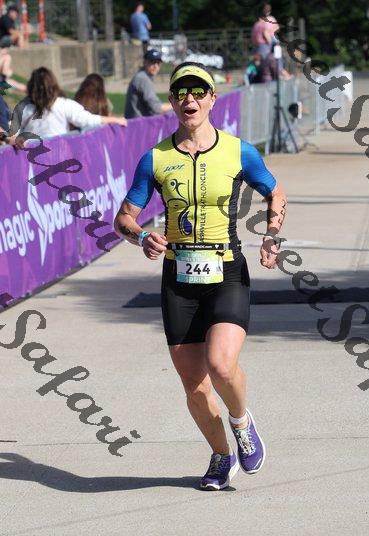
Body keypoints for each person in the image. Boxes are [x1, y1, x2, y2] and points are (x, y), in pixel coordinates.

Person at [114, 61, 287, 491]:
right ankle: (221, 456)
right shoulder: (155, 158)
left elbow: (274, 191)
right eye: (180, 93)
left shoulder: (239, 151)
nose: (188, 99)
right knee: (194, 385)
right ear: (172, 102)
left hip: (226, 270)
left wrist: (271, 235)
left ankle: (242, 423)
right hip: (179, 278)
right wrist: (141, 237)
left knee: (221, 365)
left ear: (212, 99)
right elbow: (123, 218)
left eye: (197, 92)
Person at [8, 67, 126, 147]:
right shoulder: (64, 104)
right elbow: (88, 119)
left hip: (36, 160)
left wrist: (15, 139)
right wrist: (115, 120)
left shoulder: (23, 107)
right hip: (57, 158)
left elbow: (12, 133)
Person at [124, 49, 172, 119]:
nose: (155, 66)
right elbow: (156, 108)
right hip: (137, 123)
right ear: (145, 62)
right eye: (152, 62)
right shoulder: (143, 78)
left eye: (158, 63)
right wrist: (174, 105)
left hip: (136, 121)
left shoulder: (142, 76)